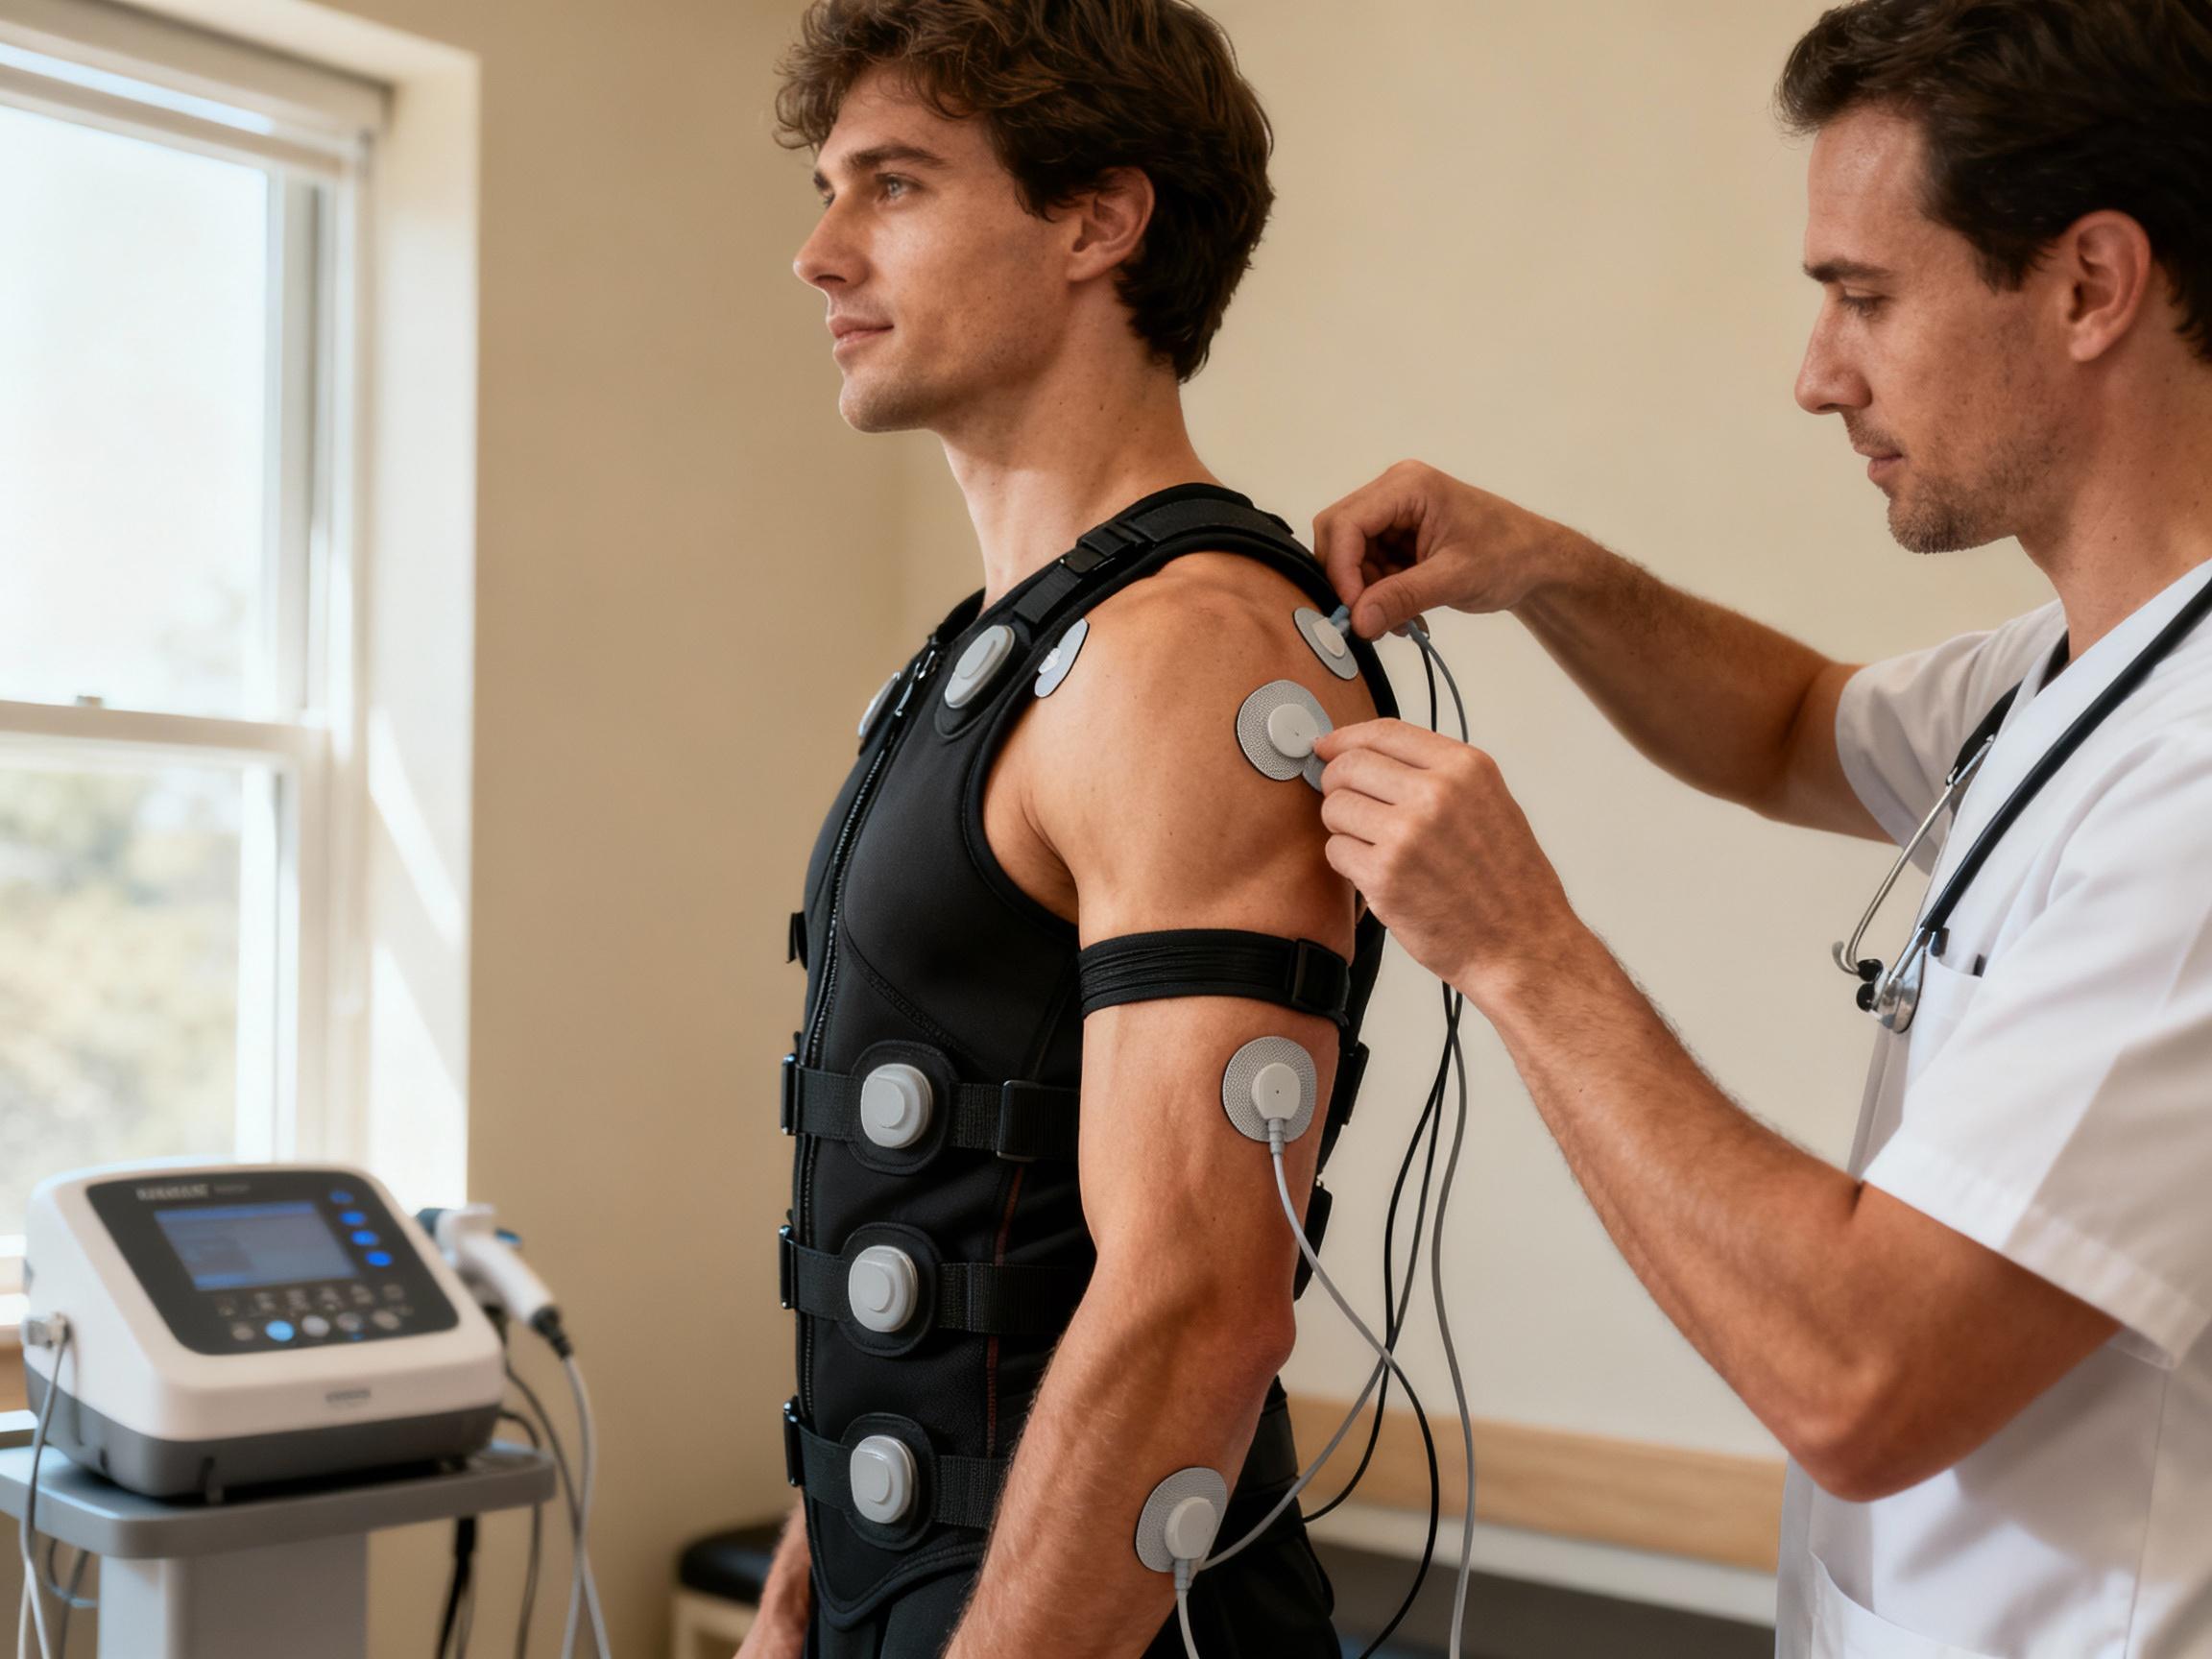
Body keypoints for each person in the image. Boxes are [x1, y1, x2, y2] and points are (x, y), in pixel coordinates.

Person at [1310, 0, 2212, 1652]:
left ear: (2091, 284)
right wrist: (1545, 570)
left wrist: (1520, 951)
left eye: (1865, 298)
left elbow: (1863, 1376)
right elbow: (1789, 726)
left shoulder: (2196, 789)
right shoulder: (2072, 666)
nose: (1817, 377)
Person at [738, 3, 1395, 1655]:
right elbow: (916, 1242)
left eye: (894, 185)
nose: (821, 253)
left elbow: (1196, 1308)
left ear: (1098, 220)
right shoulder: (987, 660)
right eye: (829, 189)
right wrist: (795, 1607)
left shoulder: (1192, 657)